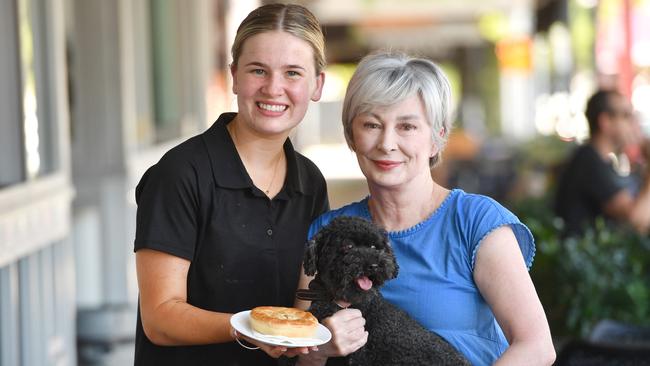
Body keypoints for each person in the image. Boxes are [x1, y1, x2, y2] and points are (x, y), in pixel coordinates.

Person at [294, 52, 556, 366]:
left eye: (407, 127)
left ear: (437, 138)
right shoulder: (327, 233)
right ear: (352, 135)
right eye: (372, 125)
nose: (387, 143)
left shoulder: (475, 221)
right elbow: (297, 352)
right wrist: (321, 348)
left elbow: (536, 346)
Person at [133, 4, 329, 365]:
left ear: (317, 84)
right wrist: (249, 329)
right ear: (234, 75)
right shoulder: (180, 174)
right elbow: (159, 318)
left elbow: (306, 306)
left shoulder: (311, 182)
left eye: (293, 73)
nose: (274, 88)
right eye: (258, 70)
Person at [555, 89, 650, 237]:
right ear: (605, 121)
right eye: (626, 115)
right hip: (583, 256)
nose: (633, 123)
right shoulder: (589, 162)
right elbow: (636, 220)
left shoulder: (599, 160)